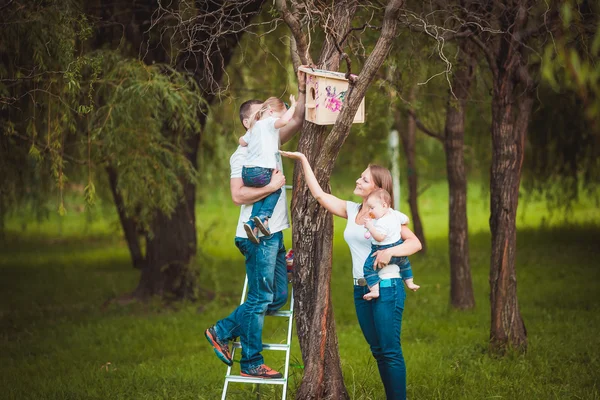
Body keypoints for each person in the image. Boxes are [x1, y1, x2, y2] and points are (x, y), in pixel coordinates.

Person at [279, 150, 422, 399]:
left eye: (364, 179)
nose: (358, 180)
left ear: (378, 189)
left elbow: (415, 243)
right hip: (361, 289)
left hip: (387, 287)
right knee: (377, 350)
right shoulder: (353, 210)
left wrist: (391, 252)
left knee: (389, 351)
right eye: (360, 176)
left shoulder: (387, 217)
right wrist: (303, 159)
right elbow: (320, 195)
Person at [204, 68, 306, 379]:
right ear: (250, 122)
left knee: (275, 297)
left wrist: (303, 91)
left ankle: (222, 330)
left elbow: (296, 121)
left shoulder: (269, 139)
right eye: (259, 114)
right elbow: (238, 195)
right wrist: (271, 188)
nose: (265, 117)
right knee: (261, 298)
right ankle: (251, 363)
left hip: (273, 234)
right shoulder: (242, 155)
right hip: (256, 236)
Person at [238, 95, 297, 243]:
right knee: (275, 189)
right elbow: (284, 121)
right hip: (262, 170)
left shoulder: (253, 127)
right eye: (279, 114)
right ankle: (264, 216)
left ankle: (252, 223)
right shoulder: (269, 122)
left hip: (247, 172)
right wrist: (294, 106)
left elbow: (242, 142)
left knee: (261, 194)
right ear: (270, 111)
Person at [363, 188, 420, 300]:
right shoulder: (395, 214)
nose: (370, 211)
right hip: (398, 250)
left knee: (368, 268)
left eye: (372, 208)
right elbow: (406, 220)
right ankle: (410, 283)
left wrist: (370, 227)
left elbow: (379, 238)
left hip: (381, 250)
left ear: (384, 205)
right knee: (405, 264)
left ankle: (374, 290)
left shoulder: (381, 222)